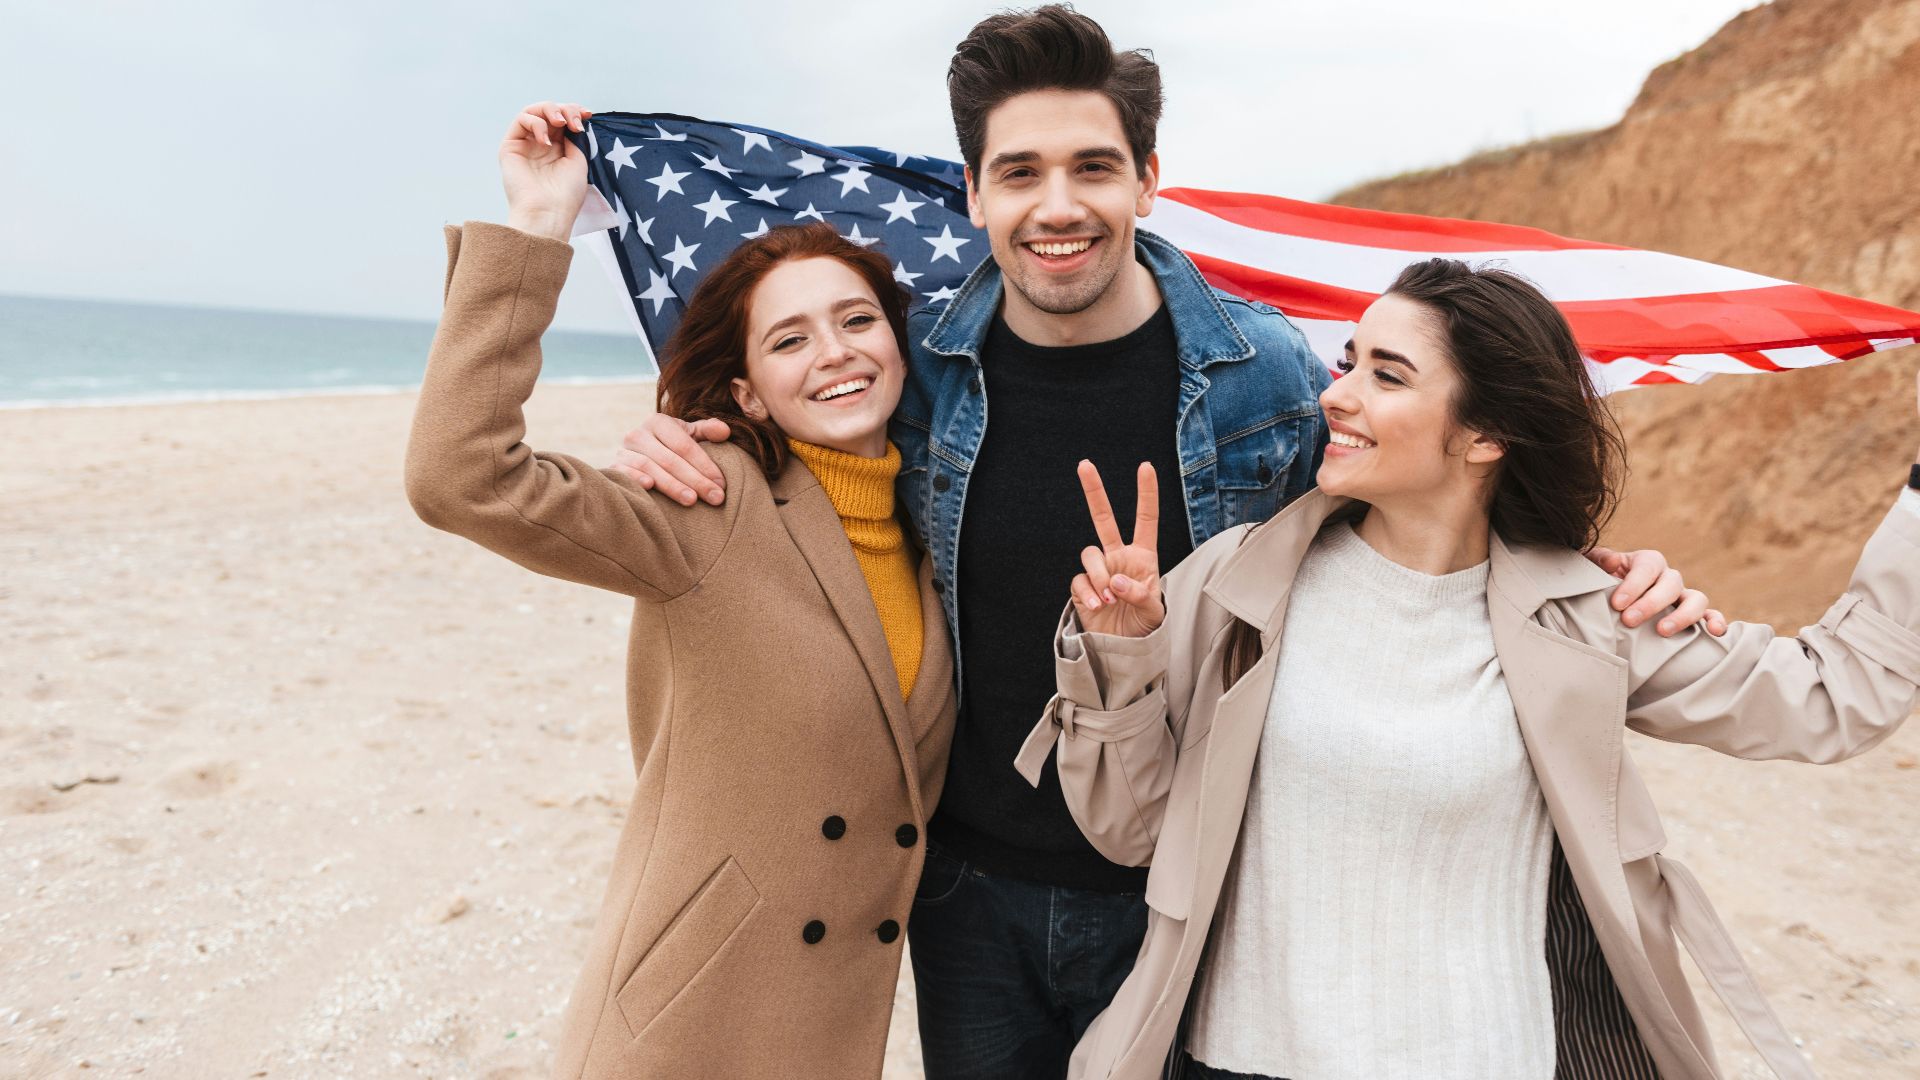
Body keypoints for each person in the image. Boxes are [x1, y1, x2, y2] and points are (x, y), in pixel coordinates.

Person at [609, 8, 1719, 1076]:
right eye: (1020, 172)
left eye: (1093, 167)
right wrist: (682, 431)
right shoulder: (921, 370)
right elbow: (808, 450)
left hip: (1198, 891)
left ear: (1147, 179)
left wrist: (1596, 569)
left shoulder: (1271, 376)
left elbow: (1425, 531)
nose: (1059, 205)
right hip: (962, 896)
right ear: (973, 192)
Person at [1030, 258, 1920, 1080]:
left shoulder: (1593, 615)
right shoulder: (1237, 582)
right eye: (1347, 362)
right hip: (1242, 1064)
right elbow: (1129, 833)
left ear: (1486, 433)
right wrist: (1121, 651)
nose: (1336, 395)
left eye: (1387, 374)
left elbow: (1833, 698)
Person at [405, 102, 956, 1079]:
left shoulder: (935, 532)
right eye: (787, 340)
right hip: (689, 1029)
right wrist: (538, 223)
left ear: (898, 347)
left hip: (832, 1038)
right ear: (745, 392)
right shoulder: (706, 500)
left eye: (857, 319)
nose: (833, 351)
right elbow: (461, 475)